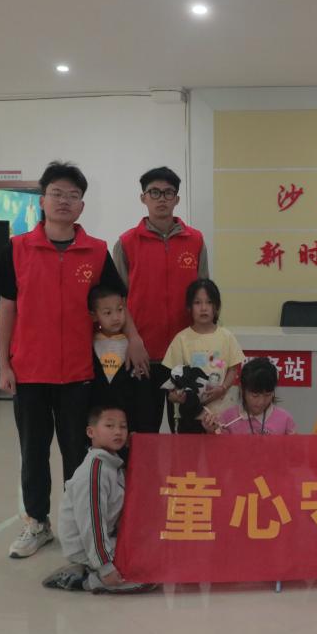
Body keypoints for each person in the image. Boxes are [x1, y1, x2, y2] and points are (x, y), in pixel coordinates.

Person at [0, 161, 146, 559]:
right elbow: (7, 308)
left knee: (78, 453)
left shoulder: (95, 251)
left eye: (73, 195)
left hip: (79, 373)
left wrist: (134, 338)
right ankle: (37, 523)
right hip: (30, 371)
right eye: (57, 194)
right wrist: (5, 365)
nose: (64, 201)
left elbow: (117, 303)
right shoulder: (18, 249)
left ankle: (81, 522)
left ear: (82, 205)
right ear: (42, 201)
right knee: (33, 451)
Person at [115, 166, 208, 433]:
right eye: (154, 192)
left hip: (186, 357)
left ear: (177, 199)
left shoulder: (195, 240)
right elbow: (118, 302)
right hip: (143, 355)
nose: (162, 198)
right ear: (143, 198)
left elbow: (204, 297)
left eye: (168, 193)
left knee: (189, 431)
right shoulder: (127, 242)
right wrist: (133, 340)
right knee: (144, 431)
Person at [42, 407, 155, 593]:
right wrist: (106, 568)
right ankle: (85, 579)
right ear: (91, 432)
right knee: (148, 574)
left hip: (105, 538)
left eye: (123, 426)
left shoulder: (112, 464)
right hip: (84, 546)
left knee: (156, 550)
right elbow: (92, 525)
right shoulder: (95, 472)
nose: (118, 432)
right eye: (109, 426)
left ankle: (92, 569)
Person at [161, 279, 245, 433]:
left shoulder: (226, 337)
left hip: (221, 414)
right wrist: (176, 397)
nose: (204, 308)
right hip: (190, 416)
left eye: (209, 302)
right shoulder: (181, 339)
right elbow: (172, 380)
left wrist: (223, 388)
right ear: (189, 307)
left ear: (216, 307)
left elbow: (233, 369)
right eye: (197, 303)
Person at [88, 285, 156, 435]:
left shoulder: (134, 348)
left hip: (129, 428)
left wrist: (142, 431)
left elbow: (143, 396)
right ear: (94, 316)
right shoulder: (89, 345)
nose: (115, 317)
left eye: (120, 310)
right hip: (99, 430)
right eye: (108, 313)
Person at [207, 357, 296, 435]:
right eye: (255, 395)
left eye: (268, 395)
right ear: (242, 389)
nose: (261, 402)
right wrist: (212, 431)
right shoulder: (228, 418)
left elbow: (294, 447)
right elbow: (220, 447)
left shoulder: (285, 420)